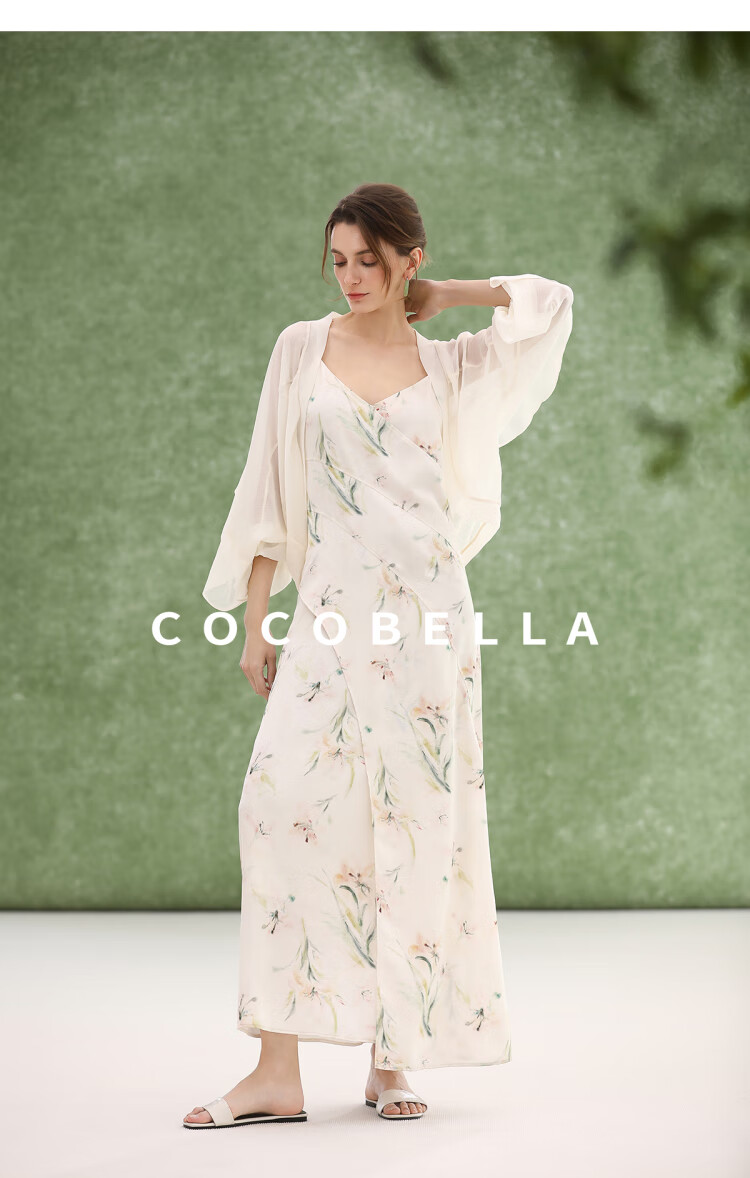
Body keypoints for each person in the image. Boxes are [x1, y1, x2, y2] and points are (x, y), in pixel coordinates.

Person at [185, 183, 574, 1128]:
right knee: (276, 804)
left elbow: (549, 303)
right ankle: (275, 1072)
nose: (351, 277)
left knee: (414, 826)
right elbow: (268, 488)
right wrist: (256, 620)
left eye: (370, 260)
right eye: (339, 261)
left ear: (409, 259)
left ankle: (392, 1060)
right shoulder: (301, 348)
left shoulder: (451, 364)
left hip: (426, 624)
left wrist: (451, 294)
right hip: (327, 615)